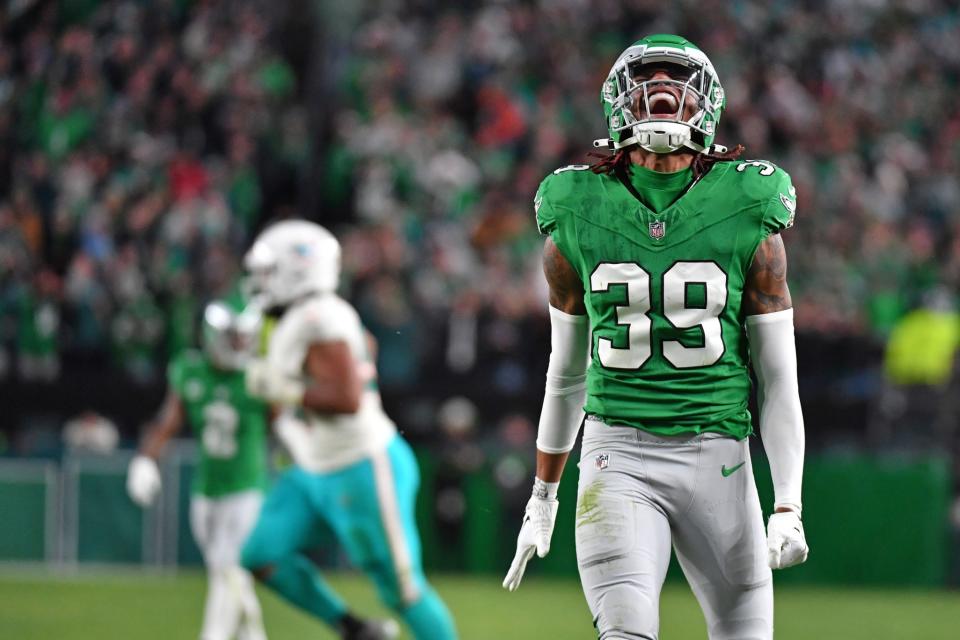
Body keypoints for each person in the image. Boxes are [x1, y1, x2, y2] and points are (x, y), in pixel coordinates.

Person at [503, 34, 809, 640]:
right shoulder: (575, 206)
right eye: (648, 79)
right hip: (618, 455)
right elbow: (566, 372)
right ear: (618, 102)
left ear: (707, 103)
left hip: (720, 455)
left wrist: (788, 503)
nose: (662, 90)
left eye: (678, 78)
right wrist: (543, 494)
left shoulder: (749, 203)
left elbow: (777, 380)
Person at [239, 220, 458, 640]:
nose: (260, 281)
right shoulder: (311, 315)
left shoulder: (317, 317)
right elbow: (367, 349)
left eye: (269, 271)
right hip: (312, 465)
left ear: (297, 270)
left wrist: (283, 389)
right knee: (262, 554)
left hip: (360, 465)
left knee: (403, 592)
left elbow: (347, 398)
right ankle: (355, 629)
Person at [127, 300, 268, 640]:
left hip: (247, 488)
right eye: (233, 337)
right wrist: (146, 458)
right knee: (227, 575)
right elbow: (167, 422)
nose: (240, 345)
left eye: (244, 337)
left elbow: (287, 425)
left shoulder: (259, 376)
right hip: (206, 492)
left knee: (228, 569)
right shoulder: (191, 370)